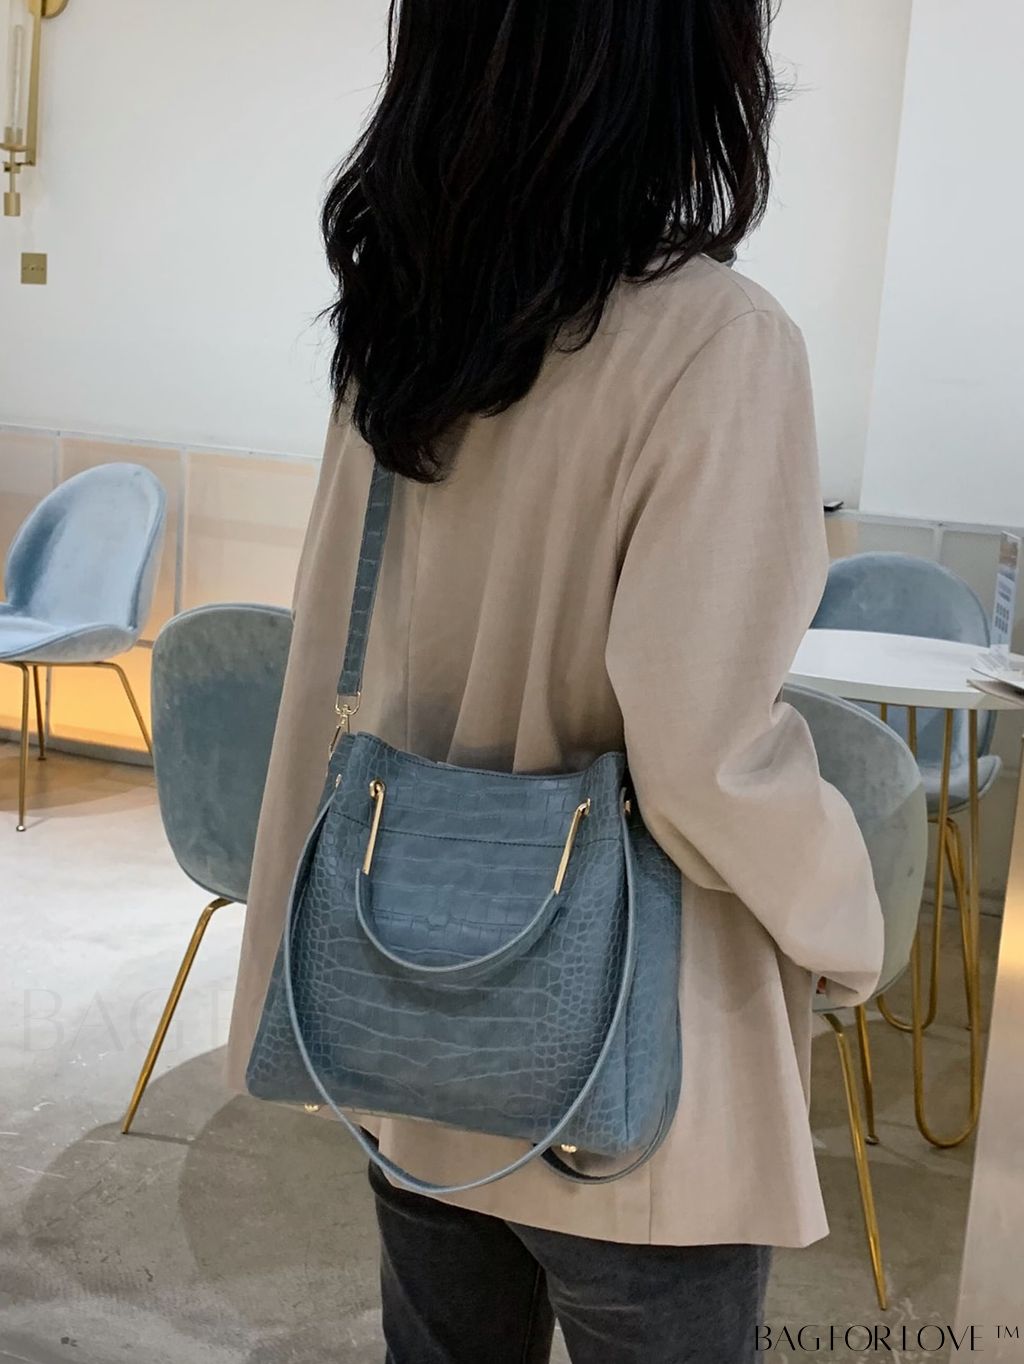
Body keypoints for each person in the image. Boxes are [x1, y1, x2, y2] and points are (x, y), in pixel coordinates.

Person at [226, 1, 884, 1359]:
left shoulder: (401, 336)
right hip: (637, 1078)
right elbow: (706, 755)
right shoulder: (717, 340)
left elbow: (336, 678)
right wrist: (841, 921)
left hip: (414, 1033)